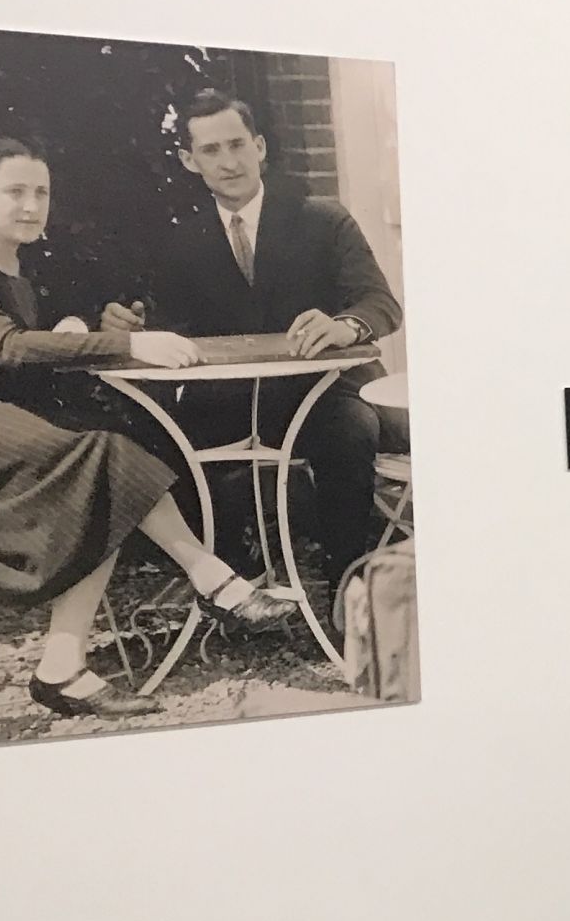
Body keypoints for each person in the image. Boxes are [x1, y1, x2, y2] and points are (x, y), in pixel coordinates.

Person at [0, 139, 297, 717]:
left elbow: (8, 358)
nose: (32, 205)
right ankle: (213, 581)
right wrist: (127, 345)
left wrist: (68, 333)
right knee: (97, 458)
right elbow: (6, 346)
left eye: (41, 192)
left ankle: (64, 669)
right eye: (15, 191)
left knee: (107, 464)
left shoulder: (12, 265)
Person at [104, 88, 402, 589]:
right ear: (190, 161)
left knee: (350, 432)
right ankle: (233, 585)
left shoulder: (322, 218)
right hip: (235, 400)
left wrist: (343, 326)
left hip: (324, 391)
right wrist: (133, 327)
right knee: (160, 437)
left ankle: (347, 587)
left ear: (259, 147)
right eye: (211, 150)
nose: (229, 162)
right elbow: (174, 327)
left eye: (237, 145)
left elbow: (380, 303)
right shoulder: (182, 242)